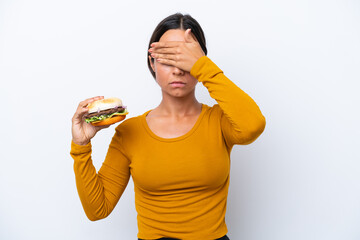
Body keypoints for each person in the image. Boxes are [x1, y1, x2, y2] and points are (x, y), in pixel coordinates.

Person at [70, 13, 266, 240]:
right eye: (167, 58)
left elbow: (253, 125)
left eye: (185, 58)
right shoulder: (129, 131)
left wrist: (204, 67)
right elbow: (97, 209)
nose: (177, 69)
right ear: (152, 63)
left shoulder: (220, 121)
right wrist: (81, 146)